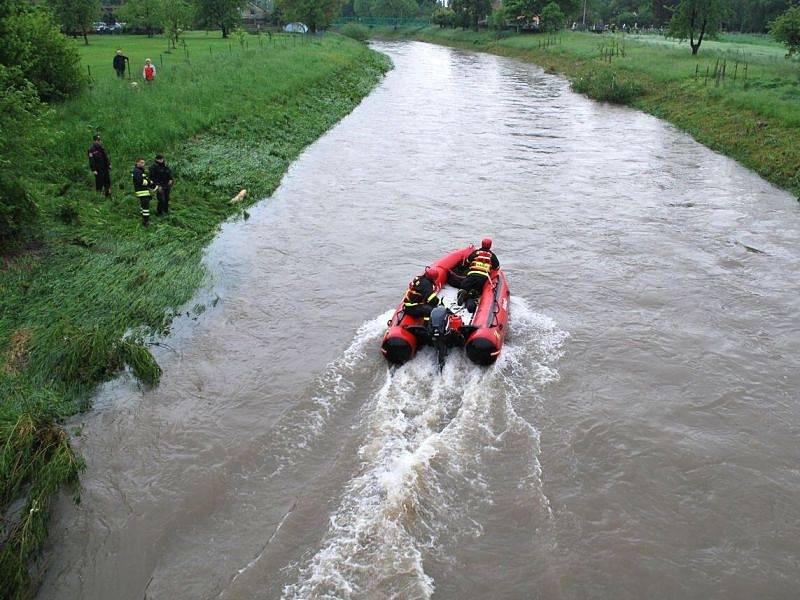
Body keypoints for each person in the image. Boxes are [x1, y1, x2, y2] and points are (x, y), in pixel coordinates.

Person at [457, 238, 500, 309]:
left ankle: (463, 292)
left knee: (464, 286)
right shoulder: (492, 256)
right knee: (478, 290)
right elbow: (497, 268)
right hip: (483, 278)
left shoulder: (475, 253)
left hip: (472, 274)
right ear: (490, 246)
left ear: (481, 244)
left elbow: (467, 262)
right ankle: (472, 293)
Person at [132, 157, 155, 227]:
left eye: (144, 163)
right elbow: (142, 181)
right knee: (146, 207)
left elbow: (146, 179)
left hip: (144, 191)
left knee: (143, 206)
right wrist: (149, 182)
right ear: (137, 163)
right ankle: (146, 222)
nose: (143, 164)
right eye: (141, 162)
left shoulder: (141, 171)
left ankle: (143, 219)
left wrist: (150, 182)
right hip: (141, 191)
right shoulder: (136, 171)